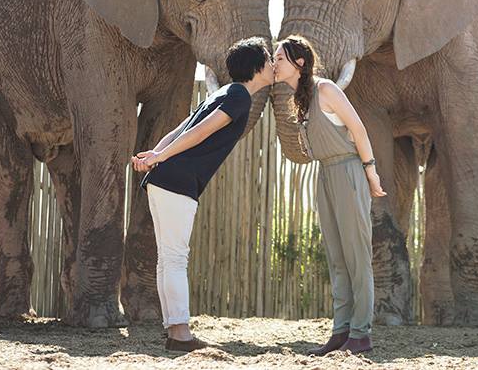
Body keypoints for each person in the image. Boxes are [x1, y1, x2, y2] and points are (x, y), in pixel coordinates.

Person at [131, 36, 273, 353]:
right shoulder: (239, 96)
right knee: (175, 257)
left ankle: (175, 330)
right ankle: (181, 334)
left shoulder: (225, 92)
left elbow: (179, 129)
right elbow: (200, 131)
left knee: (168, 258)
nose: (273, 64)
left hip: (165, 178)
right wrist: (158, 156)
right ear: (257, 66)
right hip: (177, 180)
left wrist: (155, 155)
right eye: (268, 58)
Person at [272, 35, 386, 355]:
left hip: (348, 171)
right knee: (337, 258)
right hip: (324, 175)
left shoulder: (326, 89)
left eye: (279, 58)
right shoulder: (302, 100)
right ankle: (341, 330)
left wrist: (370, 171)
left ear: (299, 62)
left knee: (356, 256)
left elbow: (358, 130)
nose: (274, 64)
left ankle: (361, 334)